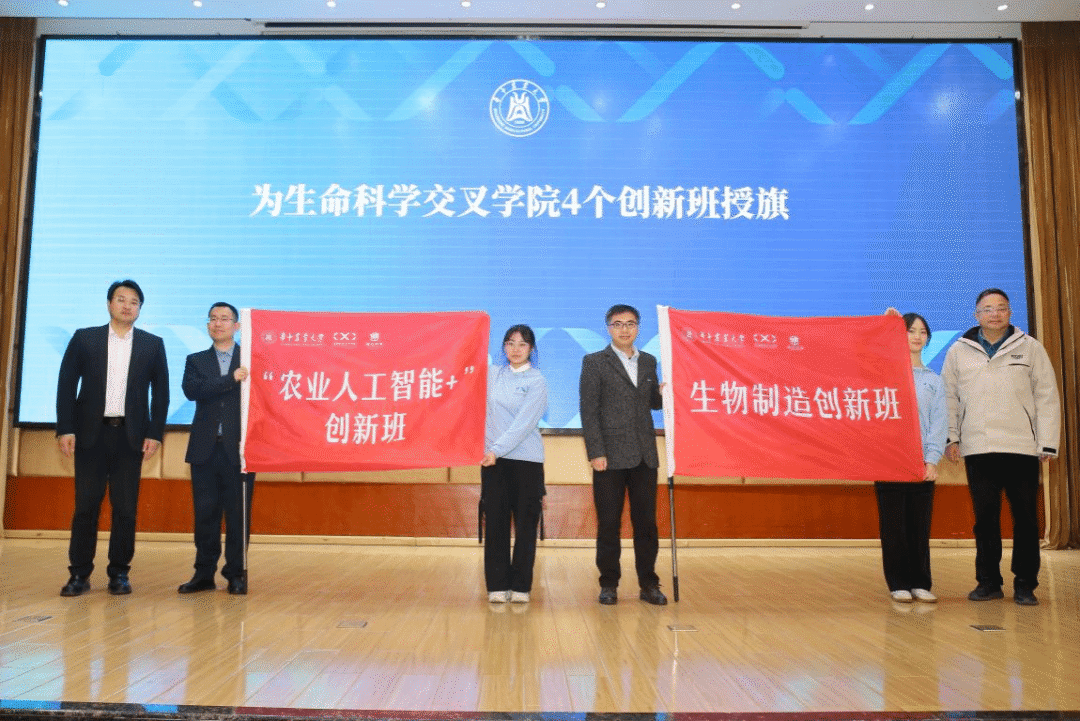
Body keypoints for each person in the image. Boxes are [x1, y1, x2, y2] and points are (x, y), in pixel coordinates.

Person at [942, 288, 1060, 606]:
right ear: (976, 315)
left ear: (1010, 312)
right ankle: (988, 582)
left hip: (1021, 447)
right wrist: (951, 438)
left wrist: (1047, 443)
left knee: (1026, 519)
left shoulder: (1030, 348)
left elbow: (1047, 396)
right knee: (985, 520)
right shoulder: (958, 351)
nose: (994, 314)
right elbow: (949, 398)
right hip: (978, 447)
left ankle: (1025, 584)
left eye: (1001, 308)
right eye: (988, 309)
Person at [55, 279, 170, 597]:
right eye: (121, 299)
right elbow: (66, 384)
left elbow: (161, 394)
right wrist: (65, 427)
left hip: (130, 439)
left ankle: (119, 573)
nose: (127, 306)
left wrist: (155, 433)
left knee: (125, 509)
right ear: (109, 304)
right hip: (90, 436)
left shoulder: (152, 344)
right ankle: (79, 574)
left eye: (134, 302)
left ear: (140, 309)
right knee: (86, 507)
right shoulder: (85, 338)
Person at [579, 304, 666, 606]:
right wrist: (596, 452)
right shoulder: (594, 362)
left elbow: (651, 403)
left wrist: (662, 394)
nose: (624, 329)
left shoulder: (649, 361)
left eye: (630, 324)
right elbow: (589, 411)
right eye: (618, 324)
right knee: (608, 524)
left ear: (638, 327)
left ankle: (649, 584)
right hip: (609, 457)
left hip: (644, 456)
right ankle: (609, 584)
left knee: (646, 525)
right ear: (608, 328)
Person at [178, 302, 255, 595]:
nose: (217, 323)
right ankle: (203, 574)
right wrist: (230, 379)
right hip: (204, 449)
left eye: (224, 318)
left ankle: (236, 574)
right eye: (212, 318)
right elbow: (193, 391)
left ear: (236, 326)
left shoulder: (250, 360)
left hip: (241, 450)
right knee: (205, 515)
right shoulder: (196, 360)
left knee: (238, 516)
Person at [875, 311, 947, 604]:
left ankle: (920, 582)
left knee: (919, 524)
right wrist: (885, 324)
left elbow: (939, 422)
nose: (917, 336)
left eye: (922, 332)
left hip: (921, 461)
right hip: (889, 459)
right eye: (910, 331)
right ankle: (898, 582)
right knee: (893, 524)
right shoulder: (884, 373)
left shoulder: (933, 380)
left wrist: (932, 459)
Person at [481, 324, 548, 604]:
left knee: (525, 526)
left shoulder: (537, 380)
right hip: (493, 463)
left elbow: (523, 425)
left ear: (531, 348)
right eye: (510, 343)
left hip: (526, 462)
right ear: (503, 347)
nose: (516, 349)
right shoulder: (493, 375)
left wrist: (496, 450)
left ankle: (521, 586)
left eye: (522, 344)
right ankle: (497, 584)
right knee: (495, 524)